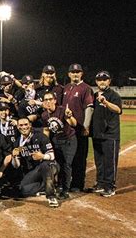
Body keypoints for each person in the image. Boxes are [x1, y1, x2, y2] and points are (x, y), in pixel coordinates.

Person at [11, 117, 59, 207]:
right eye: (21, 125)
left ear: (30, 125)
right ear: (17, 127)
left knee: (45, 166)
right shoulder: (17, 143)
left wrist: (42, 156)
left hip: (49, 166)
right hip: (34, 171)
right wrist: (14, 157)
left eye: (26, 124)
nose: (24, 127)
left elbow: (52, 155)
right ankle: (46, 187)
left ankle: (51, 196)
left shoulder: (40, 136)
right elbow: (16, 166)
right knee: (22, 190)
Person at [62, 63, 94, 192]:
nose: (75, 74)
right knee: (67, 158)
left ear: (81, 74)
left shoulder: (86, 88)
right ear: (69, 74)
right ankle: (66, 182)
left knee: (79, 158)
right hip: (66, 131)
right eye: (73, 72)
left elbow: (89, 107)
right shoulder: (66, 87)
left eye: (78, 72)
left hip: (79, 129)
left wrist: (86, 126)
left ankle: (77, 184)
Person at [90, 71, 122, 197]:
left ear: (109, 81)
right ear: (96, 82)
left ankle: (110, 186)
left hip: (110, 135)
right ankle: (100, 183)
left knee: (110, 162)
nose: (102, 82)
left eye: (105, 79)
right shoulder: (94, 95)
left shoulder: (114, 95)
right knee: (99, 162)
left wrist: (106, 102)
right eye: (99, 80)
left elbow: (118, 110)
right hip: (97, 134)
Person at [41, 92, 77, 199]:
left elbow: (73, 123)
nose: (48, 101)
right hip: (56, 141)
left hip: (69, 140)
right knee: (58, 164)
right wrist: (46, 144)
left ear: (55, 101)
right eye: (45, 99)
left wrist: (69, 116)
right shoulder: (44, 115)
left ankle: (65, 190)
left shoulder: (62, 110)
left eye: (50, 99)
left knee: (67, 164)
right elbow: (46, 130)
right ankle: (60, 185)